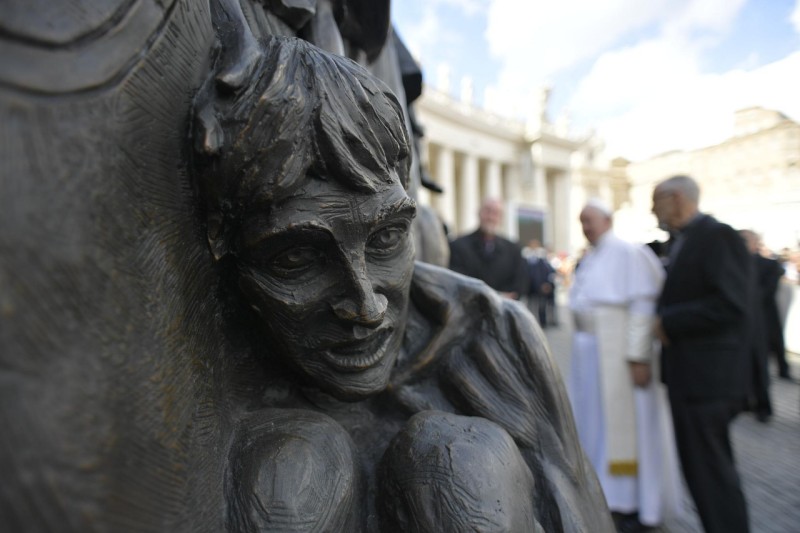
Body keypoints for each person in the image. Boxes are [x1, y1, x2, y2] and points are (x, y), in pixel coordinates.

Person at [192, 36, 613, 531]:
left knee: (461, 465)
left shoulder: (490, 335)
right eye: (298, 258)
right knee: (290, 478)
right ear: (224, 245)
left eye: (387, 238)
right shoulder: (192, 352)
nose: (367, 307)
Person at [567, 199, 682, 532]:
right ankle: (604, 493)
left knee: (627, 428)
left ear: (607, 220)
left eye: (590, 220)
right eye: (582, 222)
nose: (585, 227)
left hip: (618, 358)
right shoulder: (594, 255)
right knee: (595, 424)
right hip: (590, 357)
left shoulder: (628, 252)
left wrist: (637, 356)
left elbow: (642, 307)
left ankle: (630, 502)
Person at [652, 175, 751, 533]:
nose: (652, 210)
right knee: (701, 473)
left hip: (708, 381)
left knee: (712, 475)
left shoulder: (717, 236)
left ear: (677, 198)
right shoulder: (685, 239)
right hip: (690, 378)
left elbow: (731, 304)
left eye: (656, 201)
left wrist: (669, 321)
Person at [448, 198, 529, 299]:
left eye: (495, 213)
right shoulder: (457, 246)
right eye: (487, 211)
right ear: (479, 213)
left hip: (503, 307)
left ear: (501, 218)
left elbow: (520, 284)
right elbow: (456, 281)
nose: (491, 217)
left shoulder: (513, 250)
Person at [739, 229, 781, 421]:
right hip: (741, 323)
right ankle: (745, 401)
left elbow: (766, 292)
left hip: (760, 323)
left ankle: (763, 406)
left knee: (759, 364)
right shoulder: (734, 263)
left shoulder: (769, 265)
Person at [524, 239, 557, 327]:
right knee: (530, 306)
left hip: (540, 286)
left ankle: (543, 322)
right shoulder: (526, 258)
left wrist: (546, 283)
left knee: (542, 305)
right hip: (530, 288)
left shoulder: (541, 259)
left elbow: (547, 271)